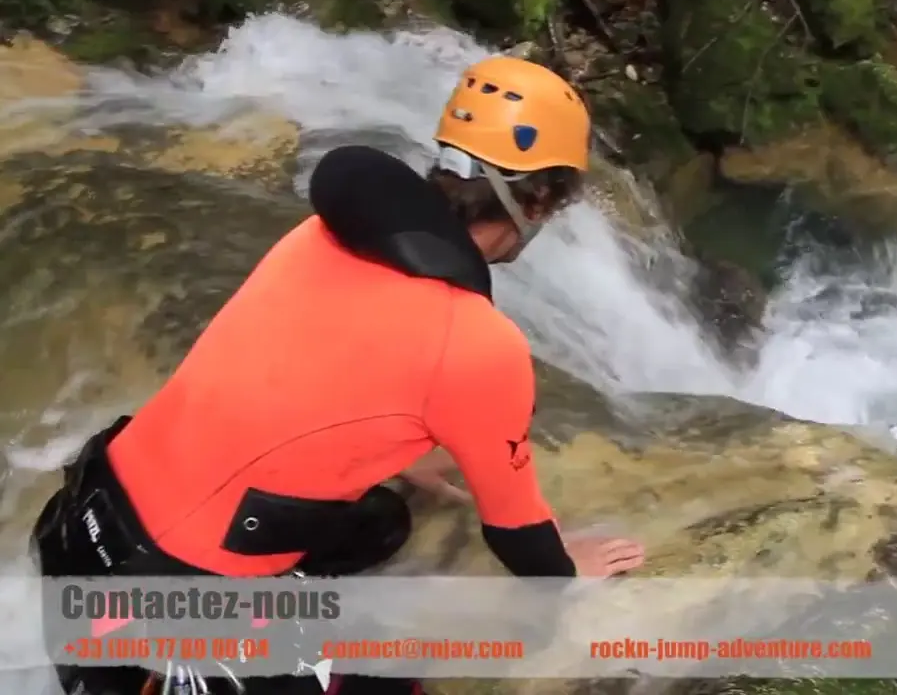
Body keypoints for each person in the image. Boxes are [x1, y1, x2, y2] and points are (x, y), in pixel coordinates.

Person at [30, 56, 646, 695]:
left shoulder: (319, 236)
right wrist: (567, 571)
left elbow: (284, 370)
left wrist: (392, 453)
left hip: (82, 526)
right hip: (167, 605)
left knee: (379, 522)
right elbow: (519, 534)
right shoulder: (477, 341)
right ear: (539, 200)